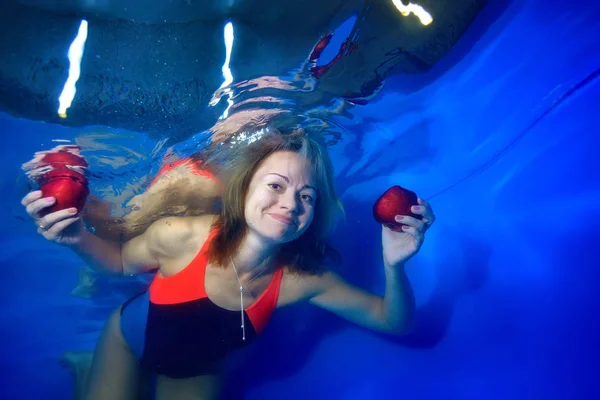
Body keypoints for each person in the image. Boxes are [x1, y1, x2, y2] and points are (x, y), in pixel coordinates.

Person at [21, 129, 435, 400]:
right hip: (127, 339)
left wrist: (394, 266)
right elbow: (119, 262)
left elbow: (393, 321)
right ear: (243, 191)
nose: (291, 204)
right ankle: (87, 368)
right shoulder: (180, 235)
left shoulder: (300, 281)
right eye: (276, 186)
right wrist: (77, 240)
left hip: (193, 373)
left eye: (307, 197)